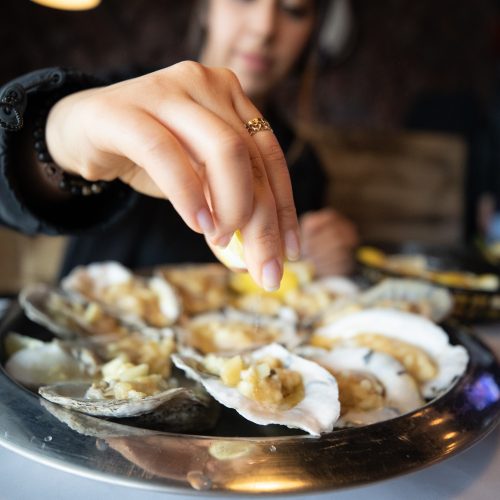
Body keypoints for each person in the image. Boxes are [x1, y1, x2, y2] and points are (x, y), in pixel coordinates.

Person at [0, 0, 358, 292]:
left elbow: (282, 283)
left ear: (315, 32)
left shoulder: (302, 163)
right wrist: (64, 127)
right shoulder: (125, 91)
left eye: (294, 10)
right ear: (206, 7)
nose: (265, 28)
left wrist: (323, 258)